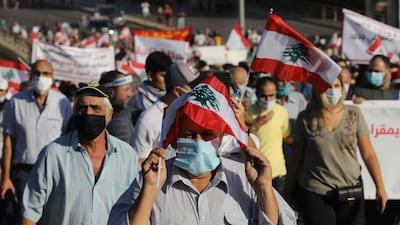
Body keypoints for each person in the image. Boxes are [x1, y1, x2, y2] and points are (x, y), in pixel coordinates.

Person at [107, 76, 296, 225]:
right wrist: (149, 192)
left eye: (206, 135)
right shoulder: (151, 179)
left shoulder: (245, 179)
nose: (198, 142)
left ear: (221, 138)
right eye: (188, 135)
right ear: (175, 140)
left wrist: (264, 190)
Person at [20, 81, 140, 225]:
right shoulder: (53, 154)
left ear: (109, 115)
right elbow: (31, 211)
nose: (88, 113)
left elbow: (135, 206)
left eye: (95, 108)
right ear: (75, 113)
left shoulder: (127, 156)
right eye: (82, 108)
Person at [284, 75, 388, 225]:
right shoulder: (306, 118)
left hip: (350, 189)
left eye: (337, 86)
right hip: (316, 191)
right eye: (327, 87)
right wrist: (286, 194)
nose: (332, 91)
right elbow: (295, 160)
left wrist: (380, 187)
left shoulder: (354, 114)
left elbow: (368, 154)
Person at [0, 60, 72, 218]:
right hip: (23, 173)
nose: (41, 77)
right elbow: (8, 142)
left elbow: (69, 140)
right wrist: (5, 177)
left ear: (52, 76)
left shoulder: (63, 103)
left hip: (55, 172)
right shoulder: (16, 102)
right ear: (30, 75)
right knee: (26, 216)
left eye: (46, 73)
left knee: (52, 216)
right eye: (37, 73)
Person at [131, 63, 200, 163]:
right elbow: (139, 161)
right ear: (177, 91)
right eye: (193, 87)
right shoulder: (149, 119)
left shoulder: (195, 113)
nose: (198, 90)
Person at [248, 76, 292, 193]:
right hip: (256, 171)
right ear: (257, 94)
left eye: (271, 95)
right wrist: (257, 124)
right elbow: (245, 141)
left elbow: (287, 137)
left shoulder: (282, 111)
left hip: (278, 172)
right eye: (264, 96)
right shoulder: (248, 112)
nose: (268, 99)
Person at [130, 51, 173, 123]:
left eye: (169, 75)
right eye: (163, 76)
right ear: (150, 76)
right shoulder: (136, 99)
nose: (167, 79)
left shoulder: (173, 96)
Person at [276, 78, 307, 167]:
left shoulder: (299, 99)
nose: (285, 84)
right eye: (281, 81)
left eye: (288, 81)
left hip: (293, 152)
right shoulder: (267, 101)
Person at [99, 71, 134, 144]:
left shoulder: (123, 110)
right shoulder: (98, 117)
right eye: (125, 90)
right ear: (111, 92)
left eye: (129, 89)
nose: (130, 94)